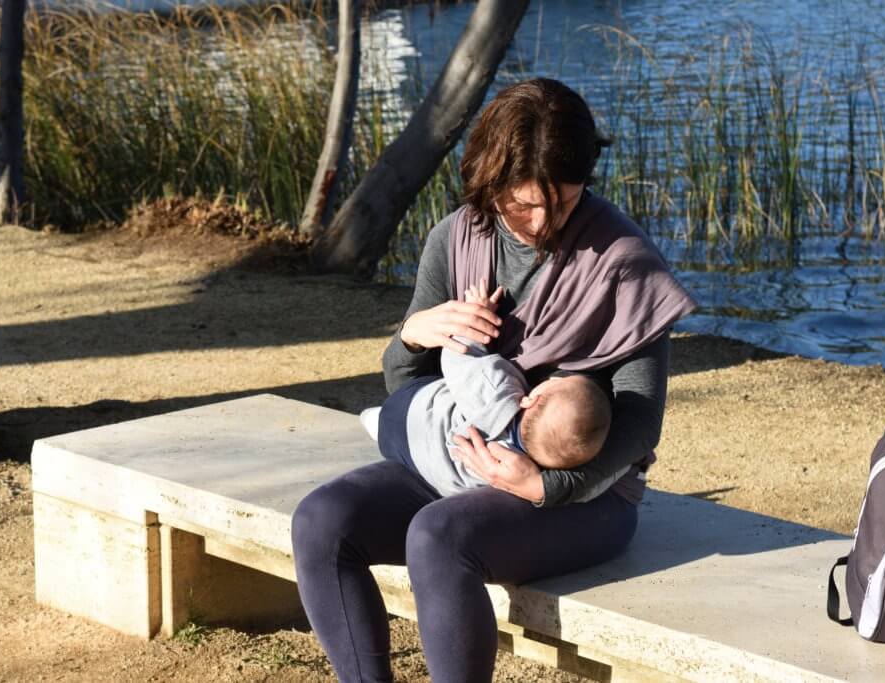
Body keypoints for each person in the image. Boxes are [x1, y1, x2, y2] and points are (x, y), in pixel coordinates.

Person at [291, 77, 696, 683]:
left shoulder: (622, 264)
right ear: (490, 179)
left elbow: (640, 423)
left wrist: (545, 485)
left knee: (437, 535)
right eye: (523, 202)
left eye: (561, 200)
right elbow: (405, 389)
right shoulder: (455, 239)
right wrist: (414, 333)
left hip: (586, 495)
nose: (542, 220)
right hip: (461, 466)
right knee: (321, 521)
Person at [360, 278, 613, 497]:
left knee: (396, 412)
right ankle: (377, 424)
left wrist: (476, 315)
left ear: (529, 400)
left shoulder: (498, 390)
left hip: (409, 413)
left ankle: (374, 418)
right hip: (426, 469)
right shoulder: (517, 468)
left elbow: (459, 357)